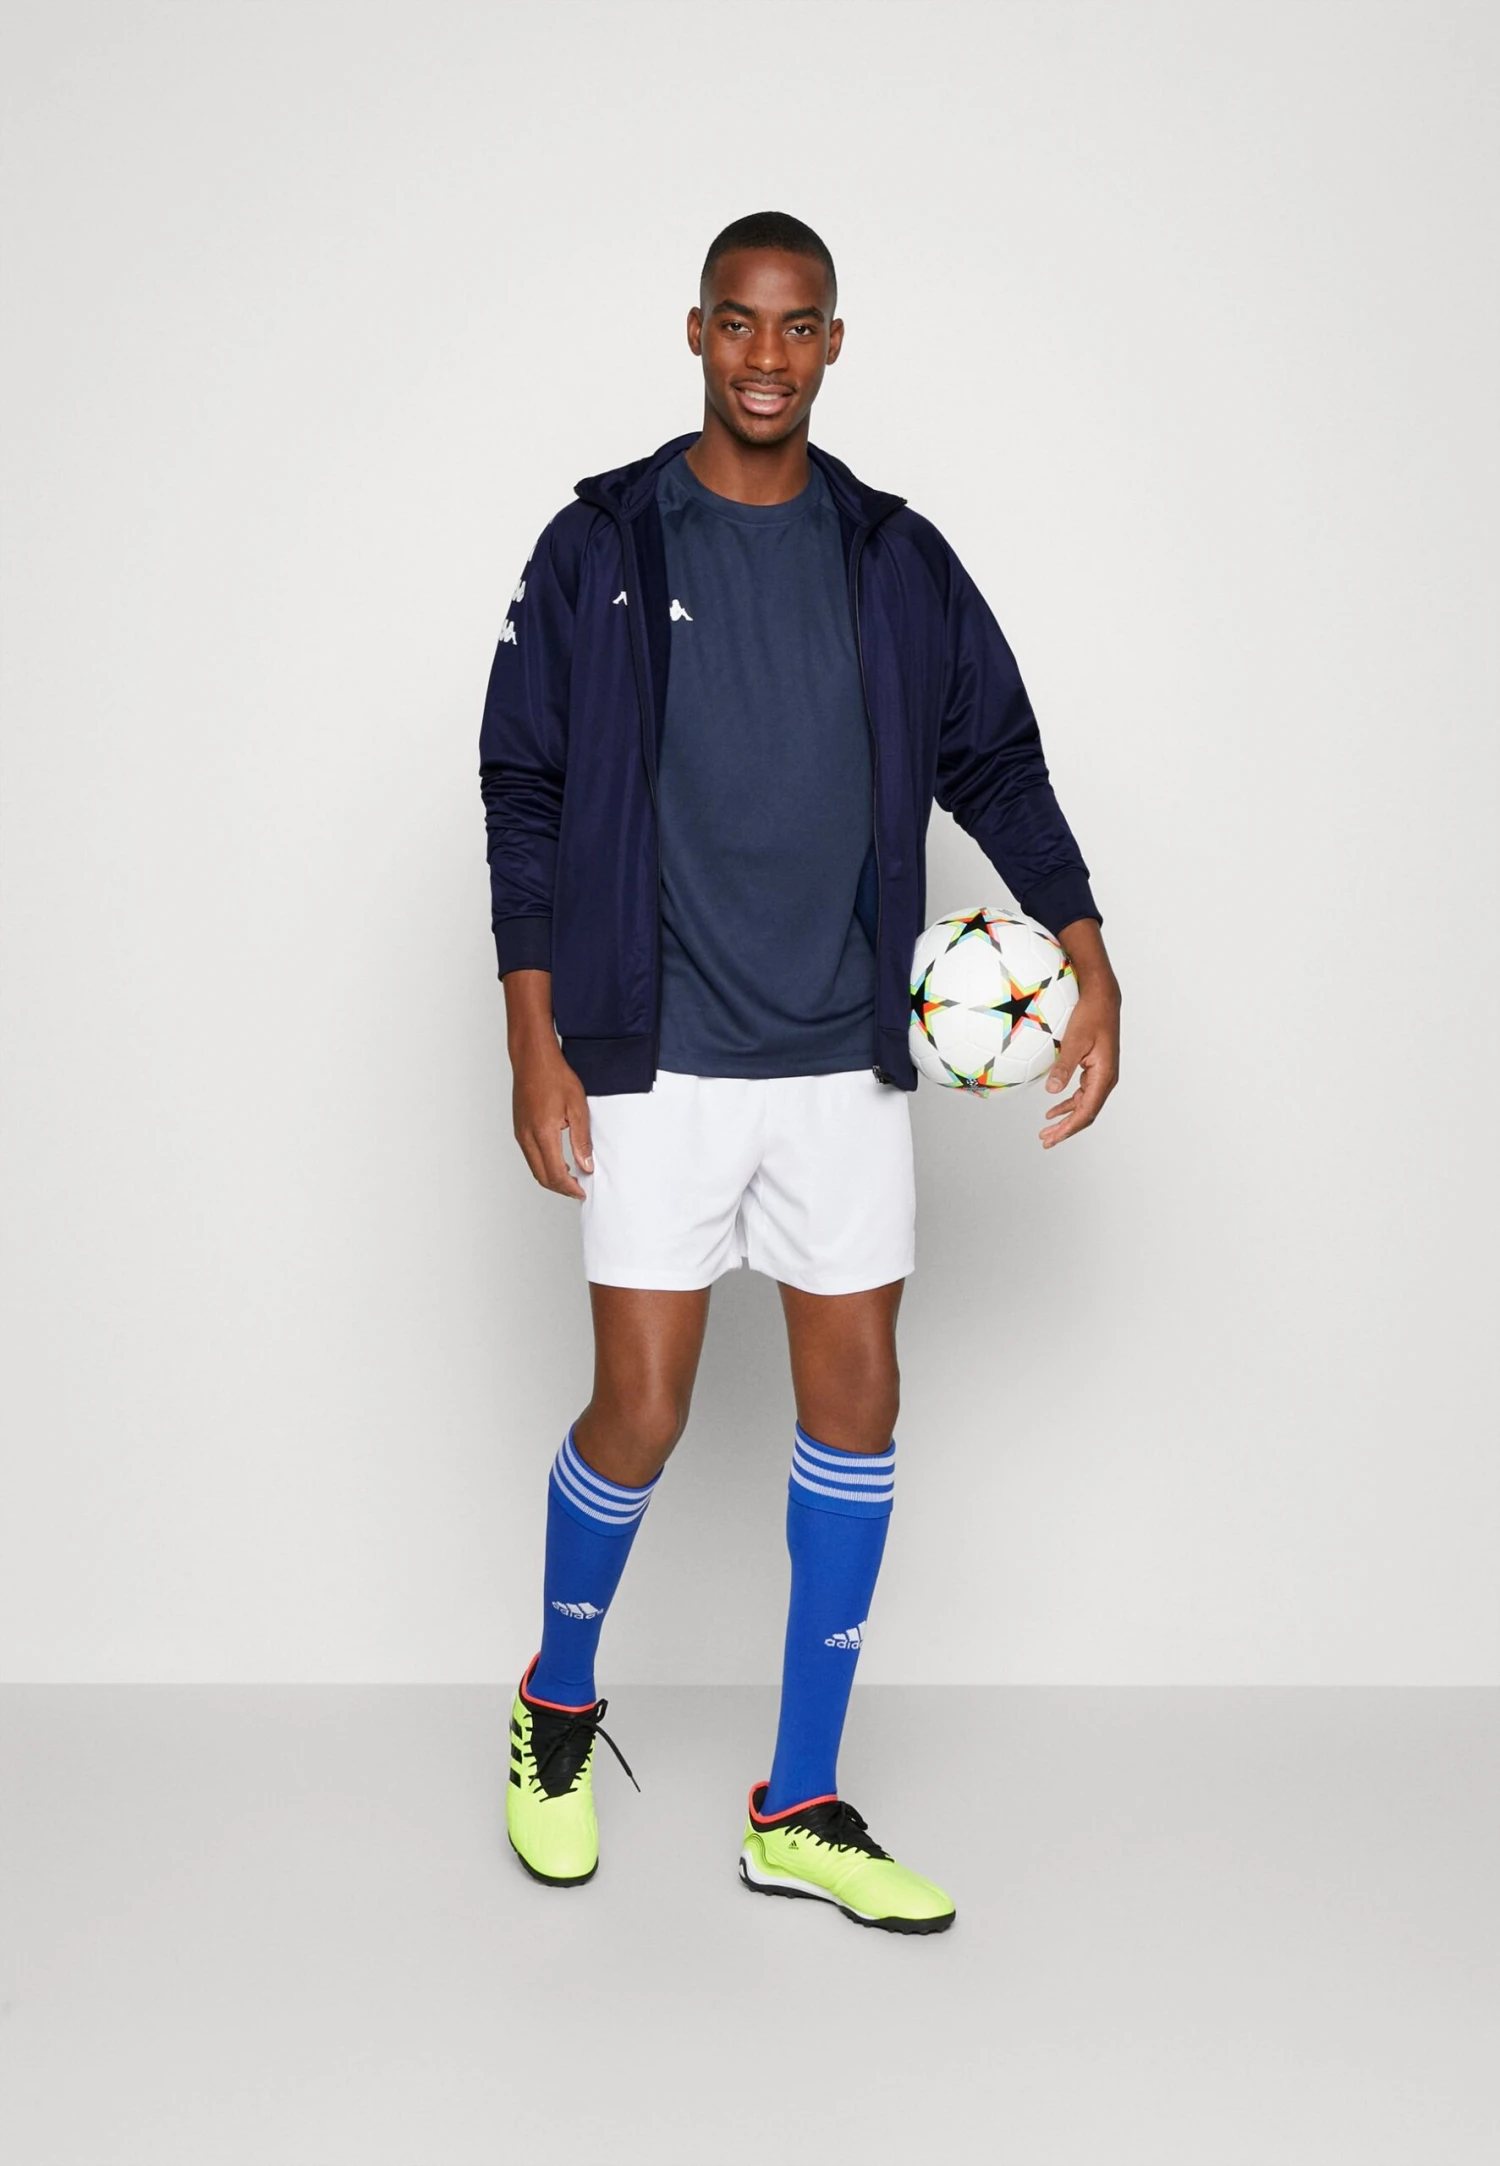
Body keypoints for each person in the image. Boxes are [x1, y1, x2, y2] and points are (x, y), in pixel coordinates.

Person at [479, 211, 1120, 1935]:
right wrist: (532, 1031)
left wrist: (1088, 943)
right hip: (653, 1058)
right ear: (696, 332)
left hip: (845, 1061)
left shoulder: (894, 556)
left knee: (859, 1409)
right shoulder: (601, 543)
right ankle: (553, 1707)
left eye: (799, 325)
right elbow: (524, 786)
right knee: (642, 1411)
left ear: (835, 343)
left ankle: (801, 1801)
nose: (767, 355)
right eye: (739, 323)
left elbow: (997, 754)